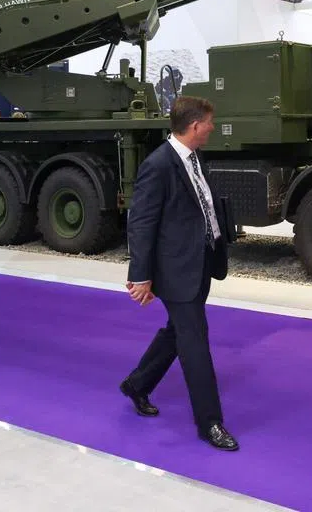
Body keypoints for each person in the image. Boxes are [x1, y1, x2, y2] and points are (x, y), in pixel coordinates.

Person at [119, 96, 239, 451]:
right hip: (175, 270)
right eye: (209, 122)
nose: (213, 128)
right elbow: (141, 223)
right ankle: (210, 423)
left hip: (201, 262)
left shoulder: (195, 158)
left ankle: (137, 385)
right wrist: (141, 275)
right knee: (194, 341)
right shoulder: (158, 165)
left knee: (177, 332)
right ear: (194, 125)